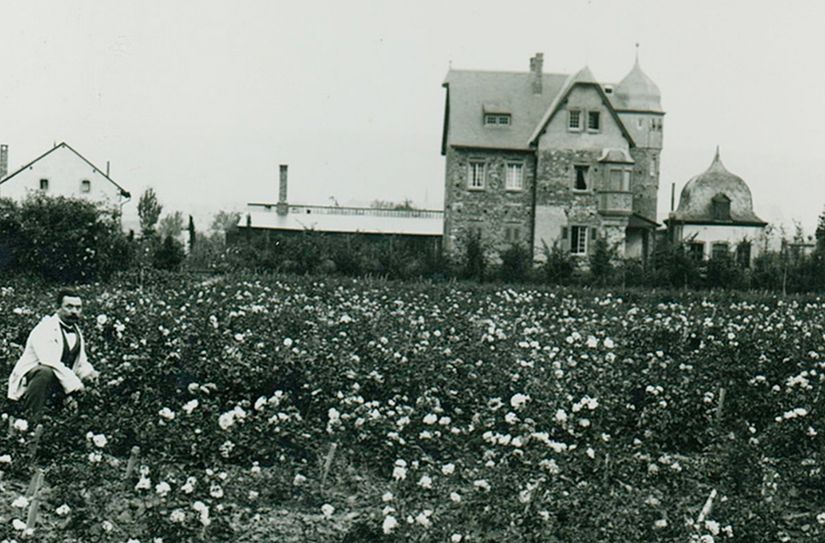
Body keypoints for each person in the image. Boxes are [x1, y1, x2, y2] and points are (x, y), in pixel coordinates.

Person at [7, 289, 99, 424]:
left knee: (92, 382)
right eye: (69, 307)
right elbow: (49, 361)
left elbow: (80, 362)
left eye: (78, 307)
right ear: (57, 308)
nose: (74, 311)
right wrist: (76, 384)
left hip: (60, 378)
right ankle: (30, 420)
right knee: (45, 371)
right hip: (33, 380)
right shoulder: (45, 328)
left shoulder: (76, 331)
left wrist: (89, 375)